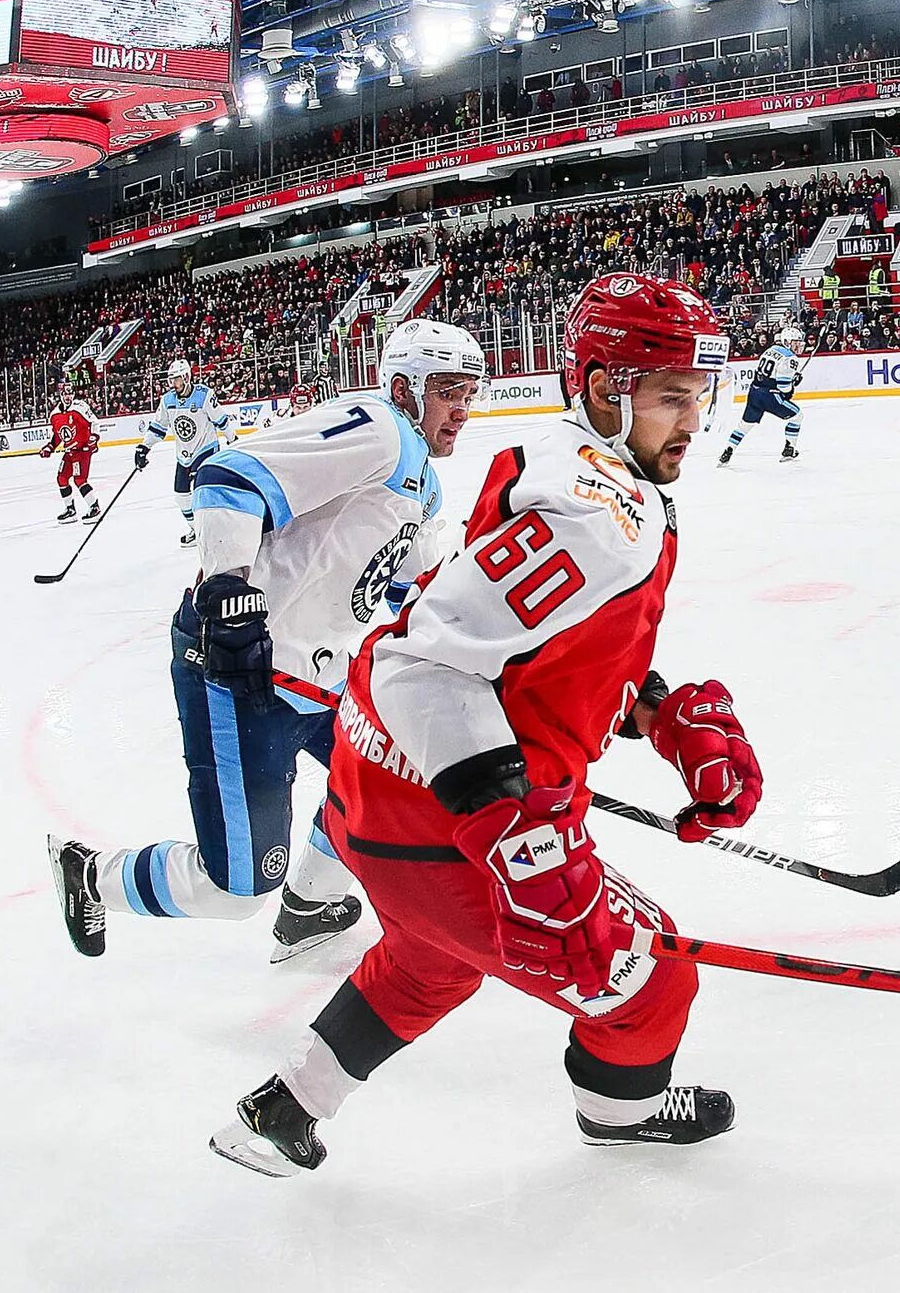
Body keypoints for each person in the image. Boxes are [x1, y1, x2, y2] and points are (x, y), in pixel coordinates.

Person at [209, 272, 757, 1178]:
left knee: (432, 955)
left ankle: (286, 1107)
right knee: (656, 977)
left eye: (699, 396)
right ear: (602, 387)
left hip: (378, 793)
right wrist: (524, 843)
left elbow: (530, 648)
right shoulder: (596, 513)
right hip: (446, 818)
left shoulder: (565, 461)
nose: (693, 421)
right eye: (671, 397)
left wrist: (660, 717)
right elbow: (424, 661)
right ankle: (623, 1113)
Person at [48, 320, 490, 964]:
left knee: (389, 781)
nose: (463, 410)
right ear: (405, 387)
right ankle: (89, 875)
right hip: (242, 670)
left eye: (471, 393)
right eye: (451, 391)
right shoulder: (380, 428)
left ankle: (311, 902)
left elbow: (410, 586)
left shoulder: (421, 480)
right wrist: (228, 587)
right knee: (236, 888)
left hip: (319, 674)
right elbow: (228, 475)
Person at [134, 358, 235, 547]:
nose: (173, 384)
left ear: (187, 377)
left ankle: (216, 528)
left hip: (206, 450)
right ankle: (196, 529)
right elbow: (158, 427)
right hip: (184, 455)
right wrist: (144, 447)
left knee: (203, 492)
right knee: (181, 496)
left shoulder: (204, 395)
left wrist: (233, 440)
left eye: (176, 379)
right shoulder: (168, 400)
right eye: (171, 380)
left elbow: (221, 420)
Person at [717, 324, 808, 466]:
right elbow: (783, 387)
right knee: (797, 416)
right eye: (796, 342)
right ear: (787, 341)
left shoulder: (770, 350)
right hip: (769, 395)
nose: (798, 346)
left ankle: (728, 450)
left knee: (744, 425)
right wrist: (793, 384)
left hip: (754, 392)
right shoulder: (791, 358)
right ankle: (789, 449)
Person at [39, 380, 103, 523]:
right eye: (65, 394)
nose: (68, 397)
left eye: (70, 393)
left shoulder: (79, 407)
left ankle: (94, 507)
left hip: (82, 450)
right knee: (61, 478)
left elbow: (94, 422)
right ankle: (70, 510)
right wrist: (50, 447)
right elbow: (58, 435)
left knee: (79, 479)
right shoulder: (55, 414)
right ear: (60, 395)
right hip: (70, 451)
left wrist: (94, 437)